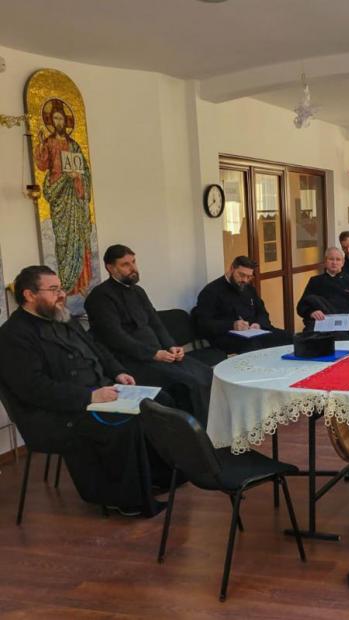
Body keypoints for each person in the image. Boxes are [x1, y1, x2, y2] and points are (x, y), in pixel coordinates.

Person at [0, 266, 172, 517]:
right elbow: (34, 388)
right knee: (126, 424)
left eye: (61, 288)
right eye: (53, 289)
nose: (62, 294)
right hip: (57, 414)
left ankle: (155, 478)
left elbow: (97, 348)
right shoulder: (13, 336)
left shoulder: (62, 316)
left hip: (99, 392)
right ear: (29, 294)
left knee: (159, 402)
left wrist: (118, 372)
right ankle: (126, 500)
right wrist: (89, 397)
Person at [85, 244, 213, 425]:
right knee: (188, 382)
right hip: (132, 361)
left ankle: (213, 428)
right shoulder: (100, 297)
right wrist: (153, 354)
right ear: (111, 268)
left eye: (133, 262)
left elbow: (155, 323)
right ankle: (194, 433)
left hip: (159, 354)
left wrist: (172, 346)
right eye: (125, 264)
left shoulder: (138, 291)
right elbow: (116, 337)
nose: (133, 268)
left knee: (206, 373)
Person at [33, 99, 94, 297]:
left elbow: (85, 171)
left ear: (65, 121)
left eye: (61, 118)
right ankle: (66, 283)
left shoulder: (74, 145)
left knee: (78, 237)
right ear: (51, 121)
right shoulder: (49, 143)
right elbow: (42, 165)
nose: (58, 122)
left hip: (74, 196)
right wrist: (40, 145)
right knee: (63, 240)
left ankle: (81, 283)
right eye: (55, 118)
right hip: (59, 194)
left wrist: (79, 177)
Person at [192, 255, 291, 354]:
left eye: (249, 277)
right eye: (241, 275)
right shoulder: (211, 291)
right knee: (254, 345)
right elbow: (203, 323)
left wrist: (258, 324)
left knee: (289, 337)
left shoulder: (249, 288)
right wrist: (232, 325)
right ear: (232, 269)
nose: (245, 280)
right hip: (227, 336)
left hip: (254, 332)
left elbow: (262, 313)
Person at [296, 246, 349, 336]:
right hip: (320, 325)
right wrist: (311, 312)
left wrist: (346, 319)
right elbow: (301, 307)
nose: (334, 263)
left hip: (344, 326)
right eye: (331, 259)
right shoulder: (315, 281)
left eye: (338, 259)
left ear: (343, 262)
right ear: (325, 262)